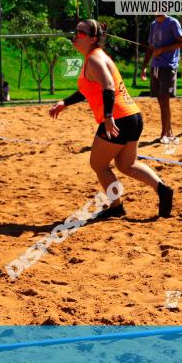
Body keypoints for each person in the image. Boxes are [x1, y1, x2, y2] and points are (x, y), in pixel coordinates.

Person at [49, 19, 174, 219]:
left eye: (81, 33)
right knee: (127, 165)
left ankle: (116, 206)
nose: (76, 34)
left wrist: (108, 117)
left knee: (98, 164)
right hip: (132, 116)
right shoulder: (94, 57)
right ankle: (162, 189)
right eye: (76, 31)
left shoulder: (94, 59)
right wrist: (65, 103)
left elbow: (108, 86)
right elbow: (88, 90)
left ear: (92, 39)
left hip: (118, 118)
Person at [141, 14, 182, 143]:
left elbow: (181, 43)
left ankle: (164, 133)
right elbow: (150, 47)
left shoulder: (173, 22)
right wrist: (144, 67)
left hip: (168, 66)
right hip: (155, 66)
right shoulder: (153, 25)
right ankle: (169, 131)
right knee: (161, 100)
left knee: (164, 98)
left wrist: (161, 49)